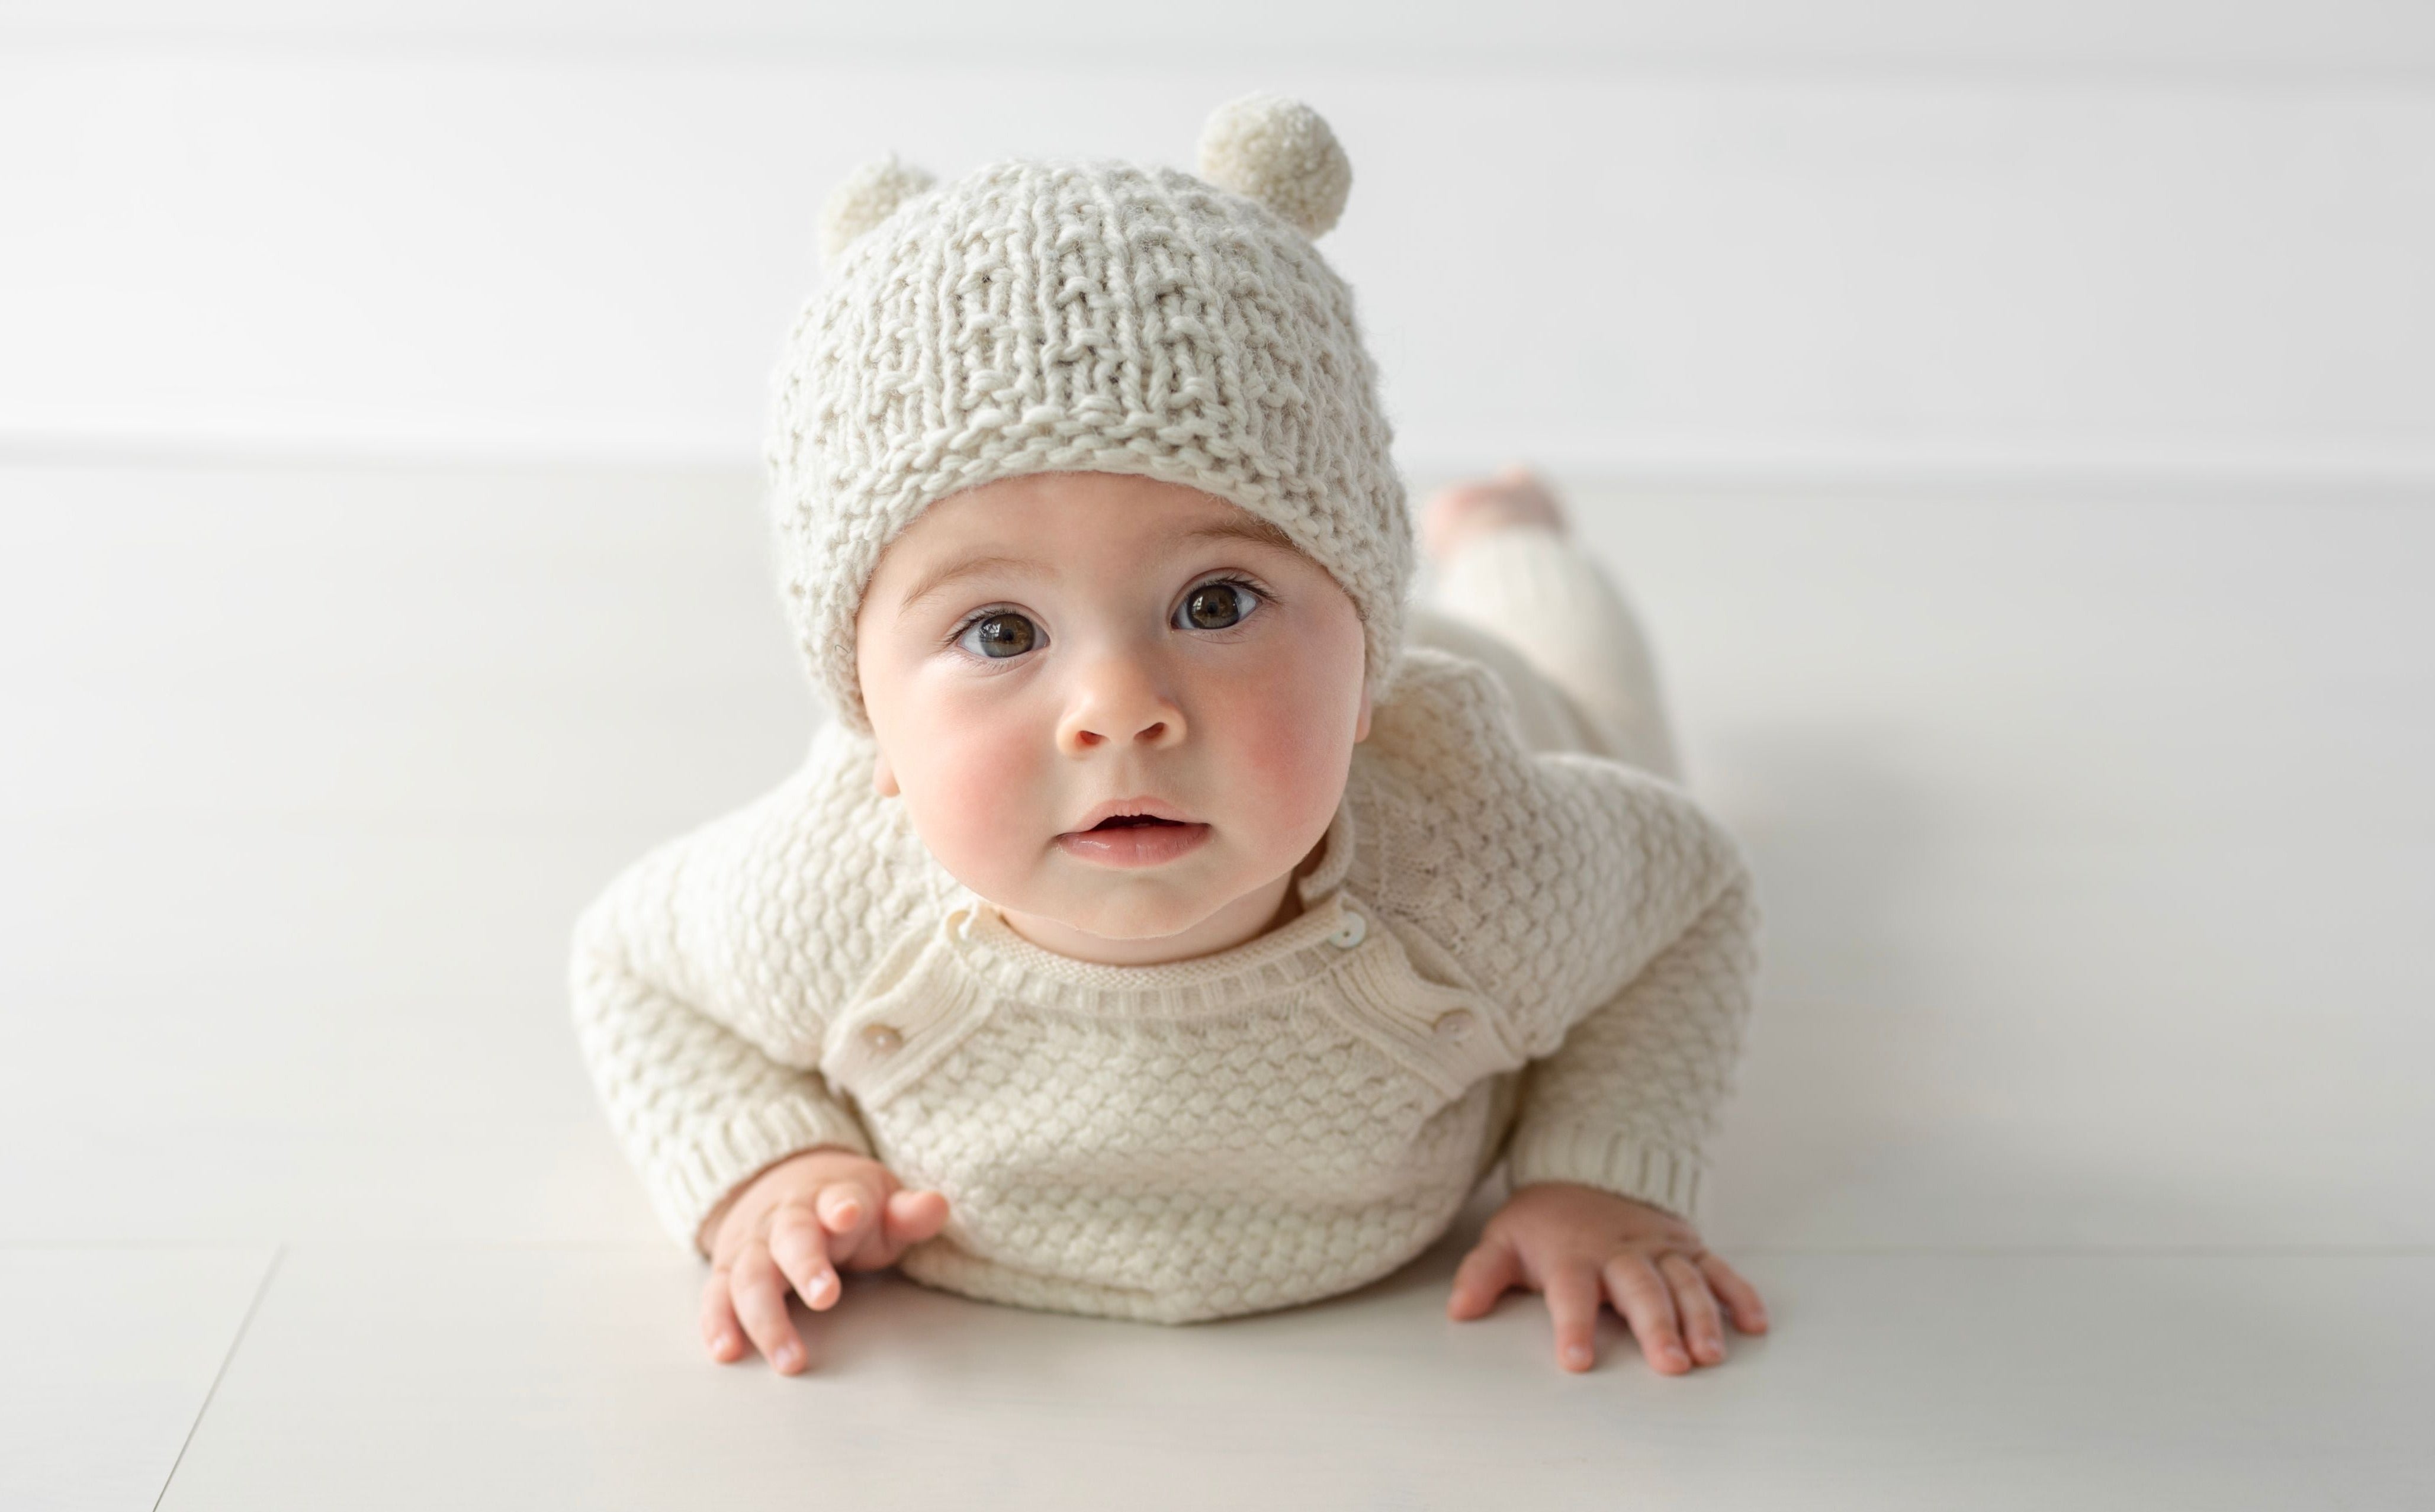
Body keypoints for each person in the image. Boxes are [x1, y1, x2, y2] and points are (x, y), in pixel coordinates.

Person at [568, 92, 1770, 1382]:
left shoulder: (1485, 852)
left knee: (1596, 692)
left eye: (1214, 602)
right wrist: (768, 1158)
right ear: (870, 717)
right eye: (998, 631)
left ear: (1363, 663)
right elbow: (632, 962)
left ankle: (1509, 533)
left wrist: (1596, 1173)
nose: (1120, 704)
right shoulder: (827, 893)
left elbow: (1688, 891)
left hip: (1496, 693)